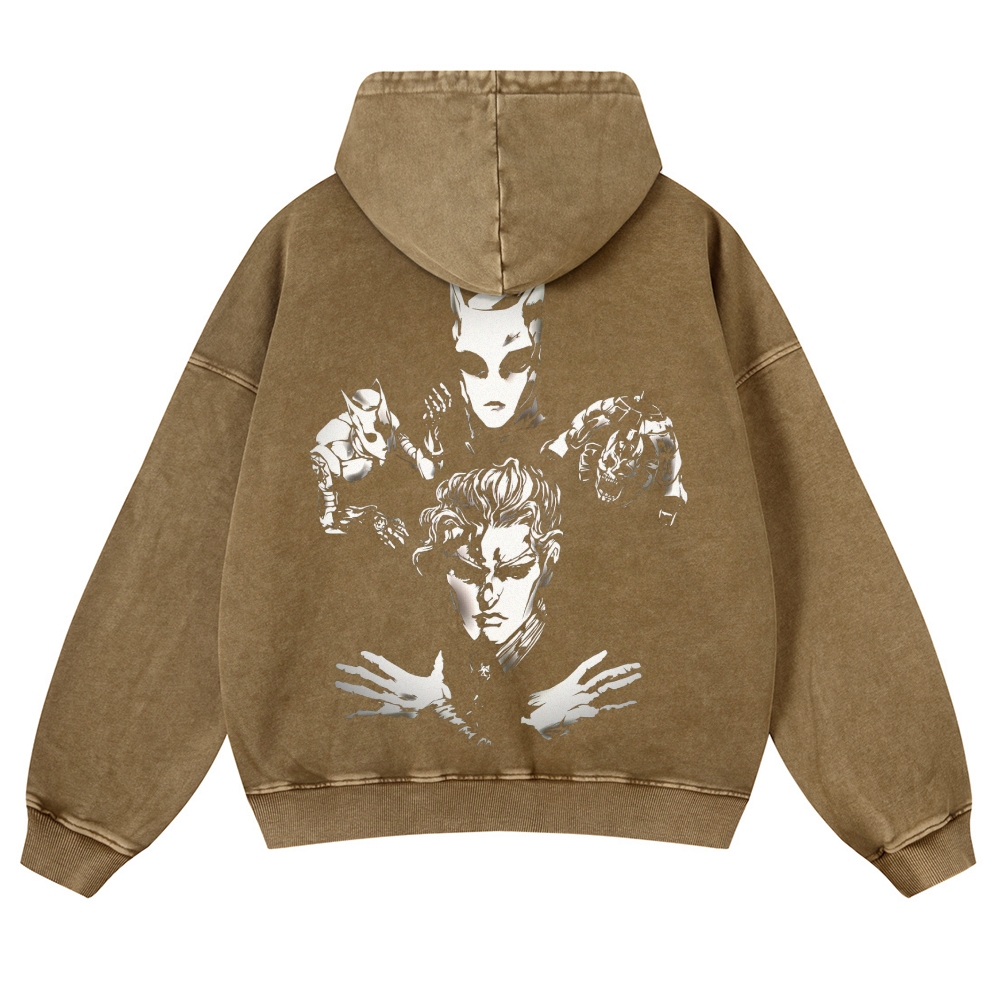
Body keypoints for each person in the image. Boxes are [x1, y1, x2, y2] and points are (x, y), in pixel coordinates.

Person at [333, 458, 642, 743]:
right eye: (469, 573)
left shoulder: (594, 663)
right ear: (442, 569)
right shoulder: (410, 645)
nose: (489, 594)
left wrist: (436, 712)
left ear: (548, 561)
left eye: (513, 571)